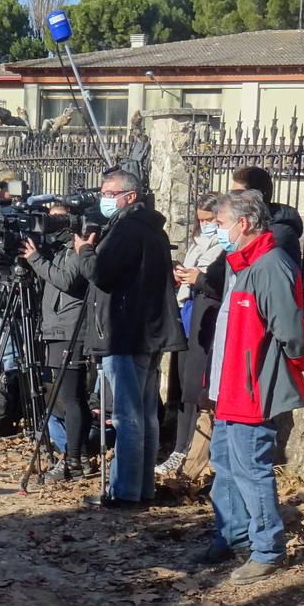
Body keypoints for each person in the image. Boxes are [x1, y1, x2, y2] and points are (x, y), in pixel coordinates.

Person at [194, 190, 304, 584]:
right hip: (229, 387)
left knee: (251, 470)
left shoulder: (269, 265)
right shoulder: (241, 263)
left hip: (251, 389)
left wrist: (301, 362)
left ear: (243, 224)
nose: (217, 230)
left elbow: (289, 329)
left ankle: (268, 549)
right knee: (226, 466)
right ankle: (234, 538)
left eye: (221, 223)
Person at [75, 169, 186, 508]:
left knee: (128, 417)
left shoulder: (127, 229)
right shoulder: (151, 229)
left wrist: (84, 251)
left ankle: (125, 492)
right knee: (145, 414)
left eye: (109, 193)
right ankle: (143, 487)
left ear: (130, 196)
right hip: (150, 331)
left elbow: (100, 274)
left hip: (125, 333)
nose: (103, 198)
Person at [22, 205, 92, 479]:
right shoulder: (56, 249)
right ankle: (80, 455)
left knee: (72, 399)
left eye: (55, 219)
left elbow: (66, 280)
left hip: (70, 329)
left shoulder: (79, 247)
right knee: (70, 398)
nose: (49, 224)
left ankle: (73, 460)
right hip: (56, 328)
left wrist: (36, 259)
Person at [160, 193, 224, 474]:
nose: (205, 224)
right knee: (184, 385)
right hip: (187, 310)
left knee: (197, 388)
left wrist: (199, 279)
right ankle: (179, 447)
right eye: (201, 220)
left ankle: (191, 451)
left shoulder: (225, 246)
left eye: (210, 220)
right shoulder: (199, 242)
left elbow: (219, 283)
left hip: (208, 317)